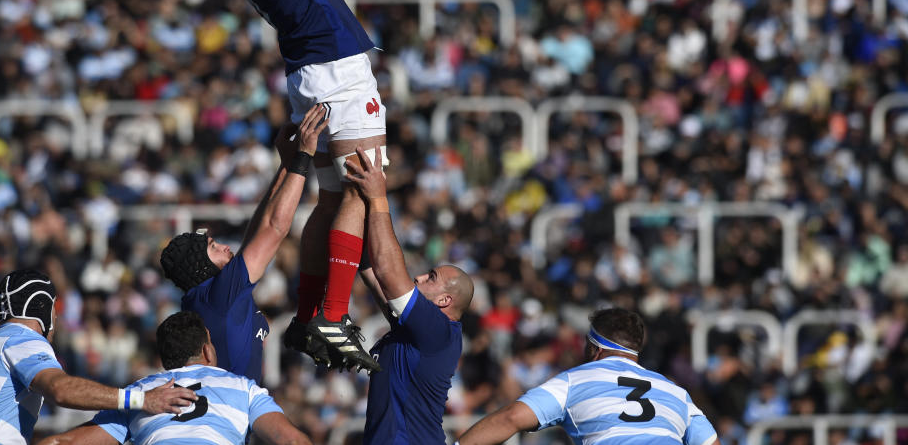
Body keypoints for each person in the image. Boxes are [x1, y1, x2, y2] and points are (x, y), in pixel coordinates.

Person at [187, 0, 398, 373]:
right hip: (335, 70)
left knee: (332, 202)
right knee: (362, 191)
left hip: (312, 71)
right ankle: (330, 313)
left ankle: (310, 316)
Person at [159, 105, 336, 381]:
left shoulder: (205, 295)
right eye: (213, 247)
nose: (224, 247)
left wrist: (287, 165)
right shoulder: (219, 295)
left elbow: (257, 231)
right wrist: (304, 156)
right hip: (238, 419)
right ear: (199, 266)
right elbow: (275, 228)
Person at [0, 269, 196, 444]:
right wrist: (142, 399)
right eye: (55, 309)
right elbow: (61, 389)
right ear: (42, 307)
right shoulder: (21, 337)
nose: (57, 318)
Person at [344, 147, 475, 444]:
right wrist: (355, 200)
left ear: (444, 301)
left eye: (432, 278)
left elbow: (389, 273)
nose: (419, 277)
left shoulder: (438, 330)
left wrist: (379, 196)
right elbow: (370, 267)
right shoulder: (417, 328)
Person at [36, 311, 310, 445]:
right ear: (207, 350)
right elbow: (292, 441)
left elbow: (63, 443)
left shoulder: (141, 393)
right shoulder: (243, 388)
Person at [455, 307, 719, 445]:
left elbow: (512, 417)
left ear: (594, 348)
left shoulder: (573, 380)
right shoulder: (675, 391)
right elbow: (710, 442)